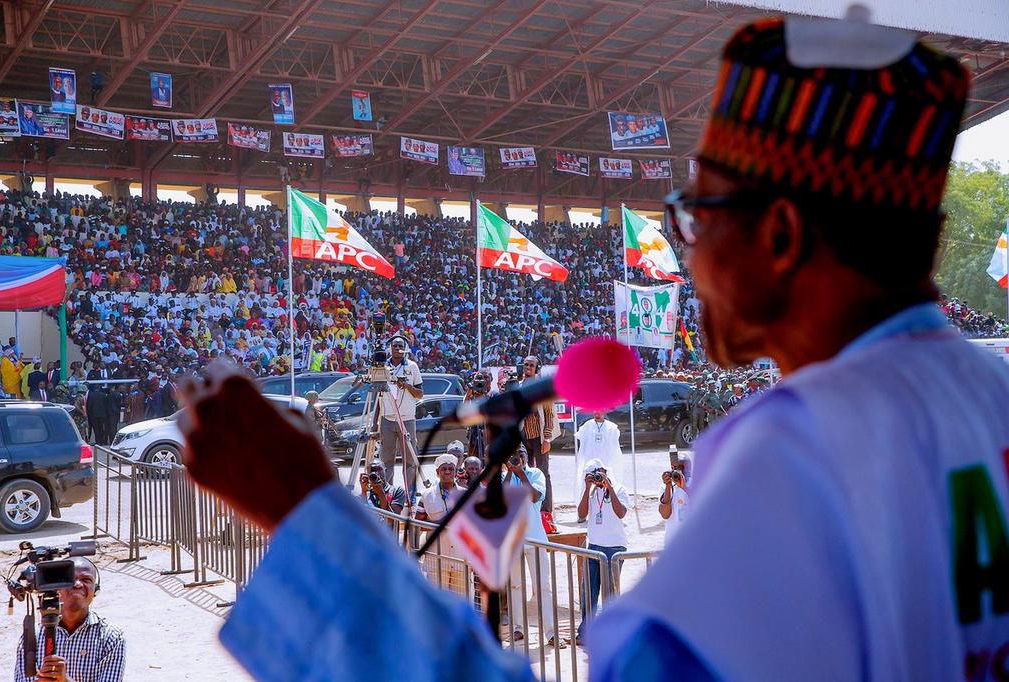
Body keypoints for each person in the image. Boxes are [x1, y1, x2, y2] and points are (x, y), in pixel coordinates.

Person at [181, 14, 1009, 675]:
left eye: (696, 216)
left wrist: (307, 515)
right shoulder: (995, 396)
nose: (685, 254)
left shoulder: (794, 456)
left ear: (783, 233)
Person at [13, 557, 126, 682]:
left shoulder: (111, 637)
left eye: (86, 579)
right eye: (70, 579)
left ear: (95, 590)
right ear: (56, 586)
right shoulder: (32, 636)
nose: (77, 584)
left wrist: (65, 680)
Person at [503, 446, 566, 649]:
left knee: (543, 587)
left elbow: (535, 497)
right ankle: (518, 628)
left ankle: (551, 632)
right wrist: (510, 472)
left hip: (536, 538)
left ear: (527, 457)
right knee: (516, 586)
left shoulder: (536, 473)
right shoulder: (506, 476)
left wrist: (521, 473)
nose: (517, 458)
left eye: (521, 455)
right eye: (514, 455)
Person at [576, 459, 629, 643]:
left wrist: (610, 488)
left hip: (614, 548)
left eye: (600, 473)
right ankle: (586, 632)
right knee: (588, 591)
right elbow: (582, 514)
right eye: (595, 474)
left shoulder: (620, 489)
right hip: (594, 546)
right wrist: (587, 487)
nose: (598, 477)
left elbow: (621, 512)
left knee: (610, 593)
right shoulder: (591, 493)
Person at [415, 452, 464, 591]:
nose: (447, 472)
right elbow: (418, 524)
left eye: (451, 469)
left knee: (460, 605)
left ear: (455, 472)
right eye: (444, 469)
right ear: (437, 472)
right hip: (436, 560)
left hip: (461, 559)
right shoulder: (426, 495)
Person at [378, 337, 422, 484]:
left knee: (410, 460)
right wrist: (374, 423)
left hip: (407, 418)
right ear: (390, 348)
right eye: (394, 346)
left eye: (400, 346)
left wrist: (407, 386)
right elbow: (378, 397)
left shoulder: (412, 366)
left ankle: (410, 492)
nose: (397, 348)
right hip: (387, 419)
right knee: (386, 460)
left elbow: (420, 394)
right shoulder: (382, 367)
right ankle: (388, 491)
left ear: (405, 348)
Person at [518, 356, 556, 513]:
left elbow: (549, 414)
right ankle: (526, 507)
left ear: (536, 368)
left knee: (542, 473)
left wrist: (547, 438)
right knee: (523, 472)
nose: (527, 367)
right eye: (526, 364)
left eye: (531, 365)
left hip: (539, 437)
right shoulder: (517, 386)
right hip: (522, 436)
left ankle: (545, 511)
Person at [573, 411, 622, 502]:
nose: (597, 413)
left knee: (608, 485)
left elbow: (615, 449)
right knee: (587, 485)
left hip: (606, 463)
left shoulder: (612, 428)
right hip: (590, 462)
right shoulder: (587, 426)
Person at [658, 463, 688, 545]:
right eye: (675, 468)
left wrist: (684, 488)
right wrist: (668, 486)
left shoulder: (695, 483)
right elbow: (665, 515)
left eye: (681, 468)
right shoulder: (664, 487)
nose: (679, 472)